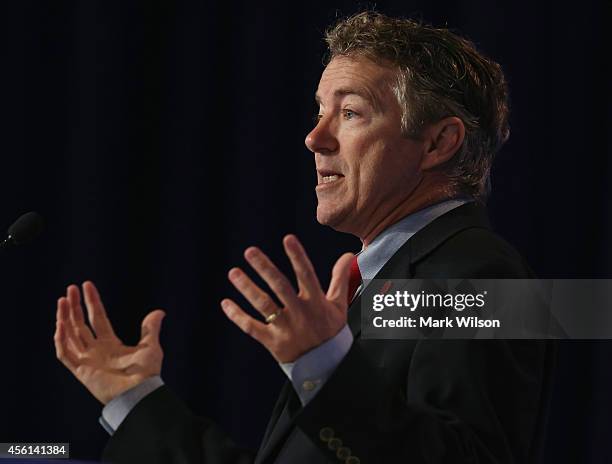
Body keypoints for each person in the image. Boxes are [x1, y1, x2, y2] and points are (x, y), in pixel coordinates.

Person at [54, 11, 555, 464]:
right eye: (319, 111)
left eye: (351, 112)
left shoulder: (479, 275)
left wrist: (323, 369)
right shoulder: (382, 285)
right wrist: (134, 399)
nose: (315, 137)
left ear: (438, 142)